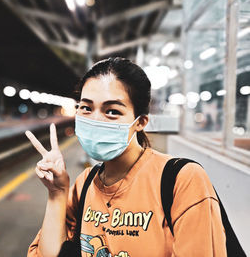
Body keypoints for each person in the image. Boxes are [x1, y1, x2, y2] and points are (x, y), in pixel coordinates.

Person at [26, 57, 226, 257]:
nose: (95, 120)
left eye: (112, 111)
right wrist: (57, 193)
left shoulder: (182, 180)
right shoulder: (84, 184)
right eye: (86, 108)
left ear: (141, 122)